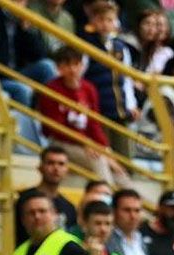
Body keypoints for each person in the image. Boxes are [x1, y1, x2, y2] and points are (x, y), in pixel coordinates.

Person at [37, 46, 131, 188]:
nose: (73, 69)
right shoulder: (51, 90)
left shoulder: (89, 89)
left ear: (82, 66)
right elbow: (56, 128)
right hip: (61, 141)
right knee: (98, 160)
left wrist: (106, 150)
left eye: (76, 64)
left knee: (118, 170)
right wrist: (86, 144)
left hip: (86, 142)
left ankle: (137, 202)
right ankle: (107, 201)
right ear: (58, 68)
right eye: (67, 65)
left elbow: (94, 124)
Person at [82, 0, 140, 158]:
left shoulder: (121, 47)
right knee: (103, 152)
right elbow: (82, 77)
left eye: (110, 20)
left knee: (124, 154)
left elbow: (127, 78)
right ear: (92, 21)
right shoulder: (87, 45)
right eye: (101, 20)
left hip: (120, 109)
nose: (105, 24)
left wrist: (131, 104)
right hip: (99, 110)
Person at [0, 0, 55, 108]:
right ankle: (23, 123)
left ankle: (50, 116)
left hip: (14, 72)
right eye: (17, 1)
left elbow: (39, 55)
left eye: (23, 2)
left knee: (47, 66)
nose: (20, 5)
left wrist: (27, 31)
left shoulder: (21, 21)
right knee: (23, 90)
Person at [15, 145, 79, 245]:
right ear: (40, 167)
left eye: (61, 164)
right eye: (51, 163)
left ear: (67, 170)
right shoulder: (24, 199)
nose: (56, 168)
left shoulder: (69, 207)